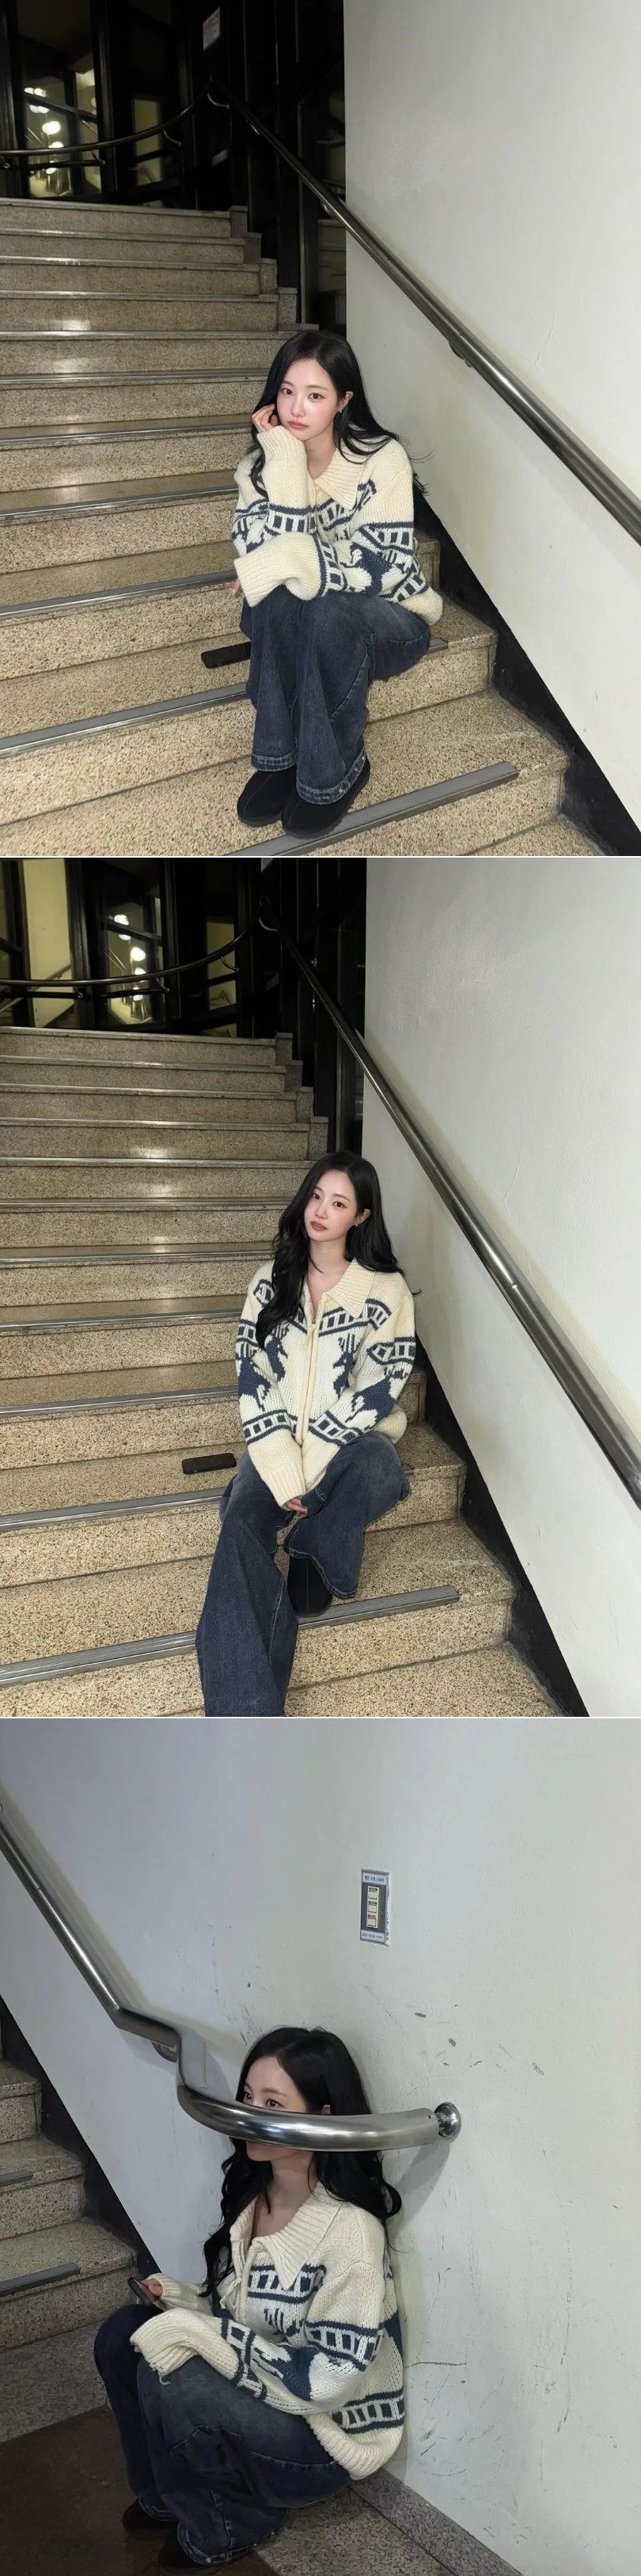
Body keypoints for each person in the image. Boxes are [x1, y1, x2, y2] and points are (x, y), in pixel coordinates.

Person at [94, 2025, 404, 2572]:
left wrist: (197, 2334)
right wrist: (184, 2303)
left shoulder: (351, 2233)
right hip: (266, 2398)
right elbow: (241, 2317)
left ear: (323, 2117)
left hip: (322, 2437)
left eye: (272, 2104)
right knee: (123, 2335)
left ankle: (231, 2525)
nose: (247, 2116)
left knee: (176, 2379)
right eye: (247, 2098)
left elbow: (328, 2381)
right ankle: (164, 2497)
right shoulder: (254, 2194)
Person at [195, 1154, 416, 1715]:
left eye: (338, 1203)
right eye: (316, 1196)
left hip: (350, 1443)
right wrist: (282, 1467)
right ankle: (245, 1721)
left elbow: (378, 1387)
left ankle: (315, 1548)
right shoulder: (269, 1283)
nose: (321, 1211)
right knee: (239, 1525)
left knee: (378, 1468)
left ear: (361, 1217)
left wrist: (311, 1467)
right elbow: (252, 1378)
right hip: (274, 1442)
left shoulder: (385, 1292)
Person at [229, 324, 442, 839]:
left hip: (393, 619)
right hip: (308, 616)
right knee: (277, 599)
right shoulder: (258, 467)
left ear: (344, 401)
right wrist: (285, 462)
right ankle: (282, 757)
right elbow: (260, 556)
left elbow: (385, 567)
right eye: (287, 391)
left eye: (315, 395)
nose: (296, 408)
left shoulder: (380, 458)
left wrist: (291, 560)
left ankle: (337, 772)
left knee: (324, 610)